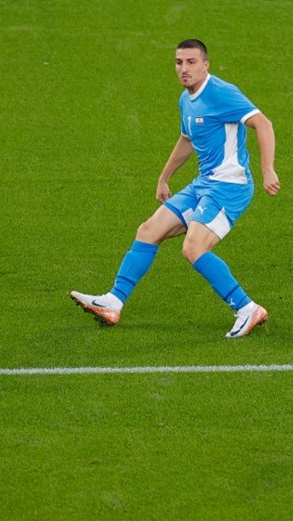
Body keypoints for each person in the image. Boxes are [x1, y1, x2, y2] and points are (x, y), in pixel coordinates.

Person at [70, 39, 280, 338]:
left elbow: (263, 123)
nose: (184, 68)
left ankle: (247, 309)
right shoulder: (187, 99)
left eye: (191, 62)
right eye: (179, 62)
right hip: (204, 184)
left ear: (205, 64)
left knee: (193, 248)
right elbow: (187, 139)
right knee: (148, 230)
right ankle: (113, 303)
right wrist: (164, 176)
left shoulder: (221, 93)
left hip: (229, 187)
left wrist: (267, 168)